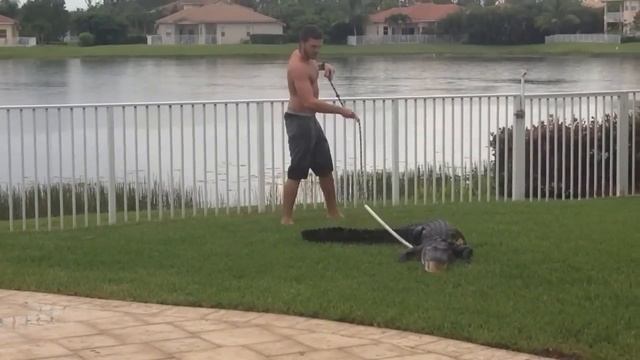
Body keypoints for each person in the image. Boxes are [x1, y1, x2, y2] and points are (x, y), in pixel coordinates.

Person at [281, 24, 358, 225]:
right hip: (298, 121)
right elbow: (309, 102)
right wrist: (342, 111)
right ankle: (286, 218)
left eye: (319, 47)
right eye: (313, 47)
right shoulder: (297, 66)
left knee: (325, 167)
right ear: (302, 43)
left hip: (310, 121)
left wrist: (325, 66)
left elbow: (313, 64)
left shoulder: (308, 59)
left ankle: (333, 212)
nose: (316, 50)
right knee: (297, 170)